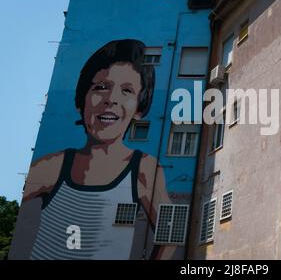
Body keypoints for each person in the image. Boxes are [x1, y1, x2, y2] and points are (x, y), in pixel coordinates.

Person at [17, 39, 172, 260]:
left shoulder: (143, 170)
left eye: (127, 90)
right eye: (101, 87)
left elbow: (171, 229)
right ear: (82, 100)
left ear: (139, 107)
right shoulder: (52, 166)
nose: (111, 100)